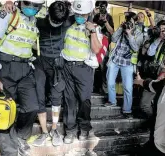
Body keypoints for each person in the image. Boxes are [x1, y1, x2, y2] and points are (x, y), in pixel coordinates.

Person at [3, 0, 73, 147]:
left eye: (59, 22)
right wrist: (8, 3)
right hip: (40, 62)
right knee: (39, 96)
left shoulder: (67, 21)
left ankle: (54, 130)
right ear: (48, 14)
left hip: (57, 65)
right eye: (53, 20)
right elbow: (22, 13)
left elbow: (84, 14)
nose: (56, 23)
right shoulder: (38, 22)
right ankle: (44, 132)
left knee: (56, 97)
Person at [0, 0, 44, 155]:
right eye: (28, 3)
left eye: (36, 6)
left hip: (25, 69)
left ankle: (19, 137)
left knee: (32, 107)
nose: (32, 8)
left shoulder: (34, 21)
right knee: (5, 112)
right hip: (5, 67)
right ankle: (9, 152)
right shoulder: (6, 13)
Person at [61, 1, 102, 144]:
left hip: (84, 68)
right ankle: (70, 130)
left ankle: (84, 129)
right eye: (77, 13)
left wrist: (91, 31)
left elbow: (96, 49)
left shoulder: (95, 29)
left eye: (82, 14)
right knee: (69, 100)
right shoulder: (67, 24)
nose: (79, 16)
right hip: (67, 67)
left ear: (89, 13)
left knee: (84, 100)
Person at [104, 11, 144, 119]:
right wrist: (121, 29)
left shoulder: (139, 33)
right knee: (110, 82)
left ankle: (127, 109)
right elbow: (113, 39)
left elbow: (135, 48)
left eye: (130, 21)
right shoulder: (122, 28)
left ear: (135, 22)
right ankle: (112, 101)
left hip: (127, 62)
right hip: (115, 58)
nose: (128, 23)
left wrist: (130, 34)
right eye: (127, 21)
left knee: (128, 87)